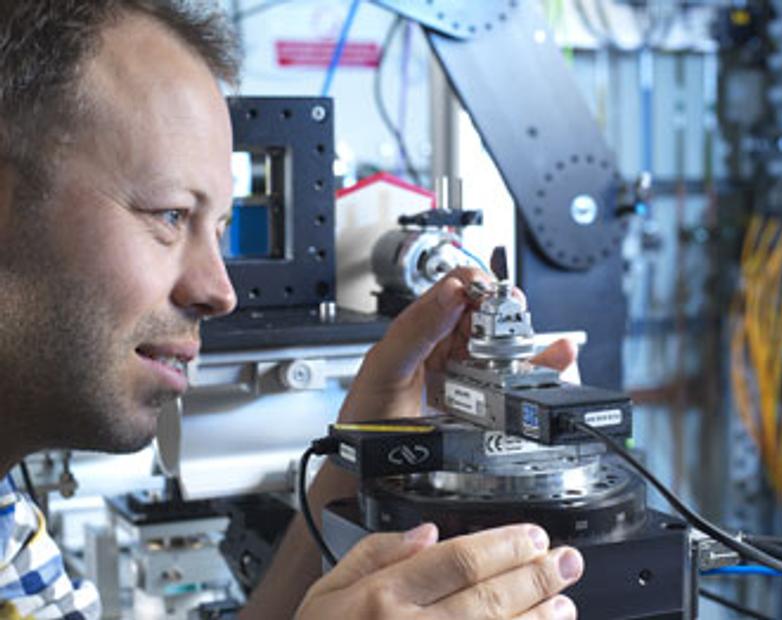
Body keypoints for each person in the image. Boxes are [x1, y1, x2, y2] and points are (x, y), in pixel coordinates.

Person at [0, 2, 584, 618]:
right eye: (170, 215)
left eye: (219, 231)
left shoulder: (12, 527)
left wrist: (368, 437)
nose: (220, 291)